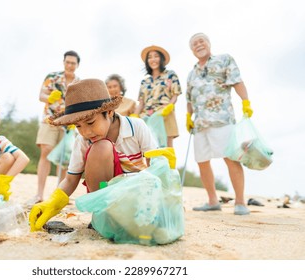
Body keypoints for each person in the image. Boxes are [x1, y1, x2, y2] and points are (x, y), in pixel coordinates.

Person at [29, 79, 176, 232]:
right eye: (78, 126)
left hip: (137, 197)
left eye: (91, 122)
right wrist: (53, 202)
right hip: (106, 198)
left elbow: (154, 164)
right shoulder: (83, 140)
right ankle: (102, 215)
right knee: (101, 147)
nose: (86, 132)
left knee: (103, 146)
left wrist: (166, 195)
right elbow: (71, 179)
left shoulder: (136, 127)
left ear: (110, 113)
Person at [186, 33, 254, 215]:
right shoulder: (191, 74)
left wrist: (245, 101)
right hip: (200, 124)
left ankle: (240, 202)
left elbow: (237, 81)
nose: (198, 45)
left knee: (230, 158)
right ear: (191, 50)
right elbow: (189, 99)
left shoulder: (224, 60)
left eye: (201, 41)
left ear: (208, 43)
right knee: (202, 161)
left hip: (222, 119)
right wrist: (188, 116)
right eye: (194, 44)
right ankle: (212, 200)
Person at [30, 50, 80, 205]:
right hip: (50, 119)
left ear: (77, 65)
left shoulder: (79, 82)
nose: (70, 65)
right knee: (45, 151)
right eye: (68, 62)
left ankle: (59, 195)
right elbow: (41, 95)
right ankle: (39, 194)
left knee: (64, 159)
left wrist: (75, 121)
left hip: (68, 123)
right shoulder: (52, 77)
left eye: (73, 63)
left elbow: (80, 104)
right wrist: (49, 98)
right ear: (64, 62)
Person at [134, 45, 182, 147]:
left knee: (166, 148)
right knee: (149, 148)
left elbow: (175, 94)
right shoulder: (144, 82)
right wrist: (134, 116)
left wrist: (169, 106)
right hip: (147, 116)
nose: (153, 59)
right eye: (150, 57)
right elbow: (141, 103)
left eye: (156, 56)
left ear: (161, 58)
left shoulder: (170, 75)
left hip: (165, 114)